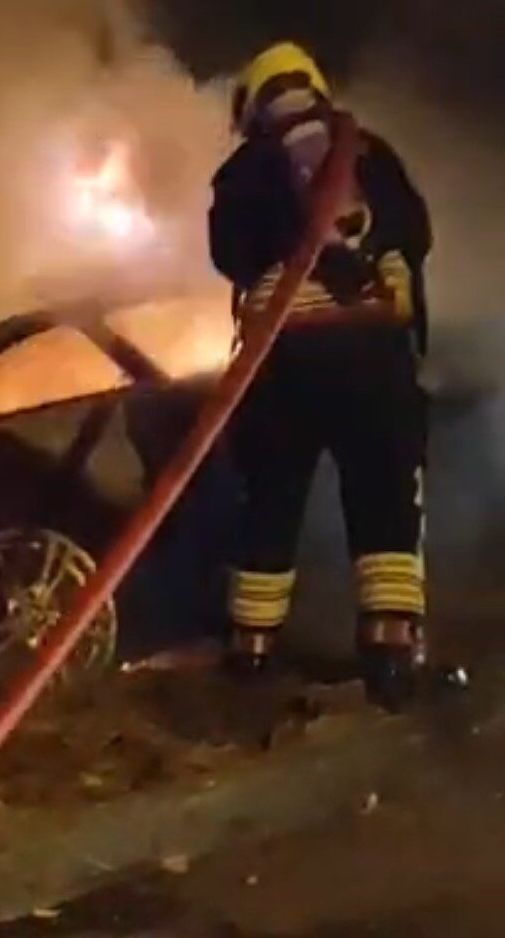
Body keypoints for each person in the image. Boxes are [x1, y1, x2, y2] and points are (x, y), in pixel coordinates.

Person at [209, 42, 432, 710]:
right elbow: (415, 233)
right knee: (384, 498)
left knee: (270, 502)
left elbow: (228, 256)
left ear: (252, 101)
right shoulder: (366, 152)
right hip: (371, 355)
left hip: (283, 363)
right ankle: (390, 655)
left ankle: (250, 652)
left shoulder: (242, 171)